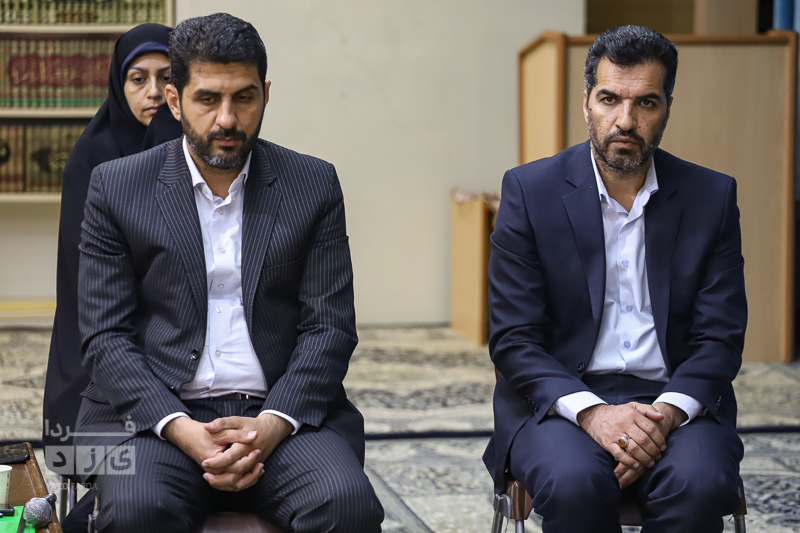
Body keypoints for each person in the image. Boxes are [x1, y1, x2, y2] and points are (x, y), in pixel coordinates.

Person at [73, 13, 383, 533]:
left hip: (281, 416)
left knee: (347, 505)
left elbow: (329, 328)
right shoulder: (118, 187)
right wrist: (179, 427)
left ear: (266, 94)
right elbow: (105, 336)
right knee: (136, 511)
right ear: (175, 101)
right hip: (158, 418)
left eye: (244, 98)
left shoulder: (312, 184)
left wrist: (271, 425)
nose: (227, 119)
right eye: (207, 99)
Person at [483, 25, 746, 532]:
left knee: (698, 485)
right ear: (586, 104)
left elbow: (720, 336)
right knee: (576, 483)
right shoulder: (530, 192)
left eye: (646, 103)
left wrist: (664, 416)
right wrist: (593, 414)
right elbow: (514, 338)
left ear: (667, 108)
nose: (625, 120)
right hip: (561, 400)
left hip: (674, 399)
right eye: (609, 99)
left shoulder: (710, 197)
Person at [41, 23, 182, 528]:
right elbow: (93, 281)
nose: (153, 92)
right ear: (119, 86)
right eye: (138, 79)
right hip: (101, 344)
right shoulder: (92, 157)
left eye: (167, 78)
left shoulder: (204, 152)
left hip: (184, 344)